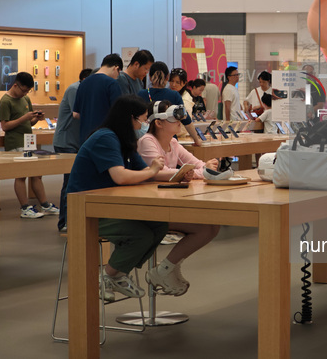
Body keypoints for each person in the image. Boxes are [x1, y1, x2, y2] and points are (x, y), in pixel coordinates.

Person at [66, 95, 167, 299]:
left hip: (111, 206)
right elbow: (120, 176)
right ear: (130, 118)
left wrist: (182, 174)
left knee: (160, 224)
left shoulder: (124, 141)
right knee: (142, 235)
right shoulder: (106, 138)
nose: (144, 124)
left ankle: (117, 273)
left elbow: (148, 172)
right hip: (86, 210)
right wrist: (152, 171)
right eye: (142, 119)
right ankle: (110, 275)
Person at [137, 100, 220, 295]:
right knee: (206, 227)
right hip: (150, 207)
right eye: (174, 119)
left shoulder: (173, 143)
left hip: (170, 203)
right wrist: (188, 172)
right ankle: (165, 270)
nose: (180, 123)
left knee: (211, 226)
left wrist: (193, 171)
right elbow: (159, 173)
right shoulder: (147, 141)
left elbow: (198, 165)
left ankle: (165, 268)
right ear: (158, 122)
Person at [0, 72, 60, 219]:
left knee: (36, 173)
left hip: (29, 140)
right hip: (15, 142)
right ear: (15, 85)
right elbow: (5, 126)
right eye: (24, 90)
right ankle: (25, 207)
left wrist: (36, 119)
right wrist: (24, 118)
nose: (25, 93)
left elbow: (29, 122)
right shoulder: (5, 101)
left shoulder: (25, 99)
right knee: (21, 176)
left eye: (28, 91)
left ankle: (44, 204)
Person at [53, 68, 92, 231]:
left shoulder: (85, 90)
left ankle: (74, 219)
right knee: (70, 182)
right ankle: (64, 222)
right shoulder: (75, 89)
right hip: (66, 142)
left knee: (78, 182)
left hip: (77, 142)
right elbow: (77, 114)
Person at [137, 61, 202, 146]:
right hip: (169, 141)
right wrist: (196, 140)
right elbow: (186, 120)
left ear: (149, 76)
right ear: (167, 77)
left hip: (147, 140)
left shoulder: (141, 94)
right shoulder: (174, 95)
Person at [73, 53, 123, 144]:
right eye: (118, 73)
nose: (117, 76)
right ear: (116, 68)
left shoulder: (83, 83)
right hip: (105, 138)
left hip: (85, 139)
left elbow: (75, 114)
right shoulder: (112, 84)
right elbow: (118, 114)